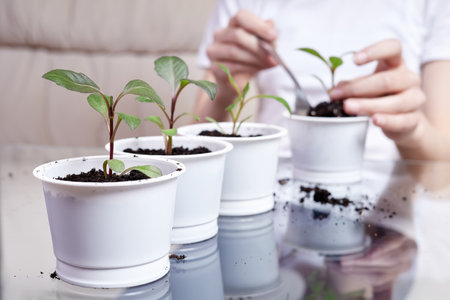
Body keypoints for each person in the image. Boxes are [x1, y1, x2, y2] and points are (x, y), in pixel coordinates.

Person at [193, 0, 450, 161]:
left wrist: (413, 131)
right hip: (273, 174)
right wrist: (224, 88)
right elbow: (194, 136)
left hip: (390, 192)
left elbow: (443, 170)